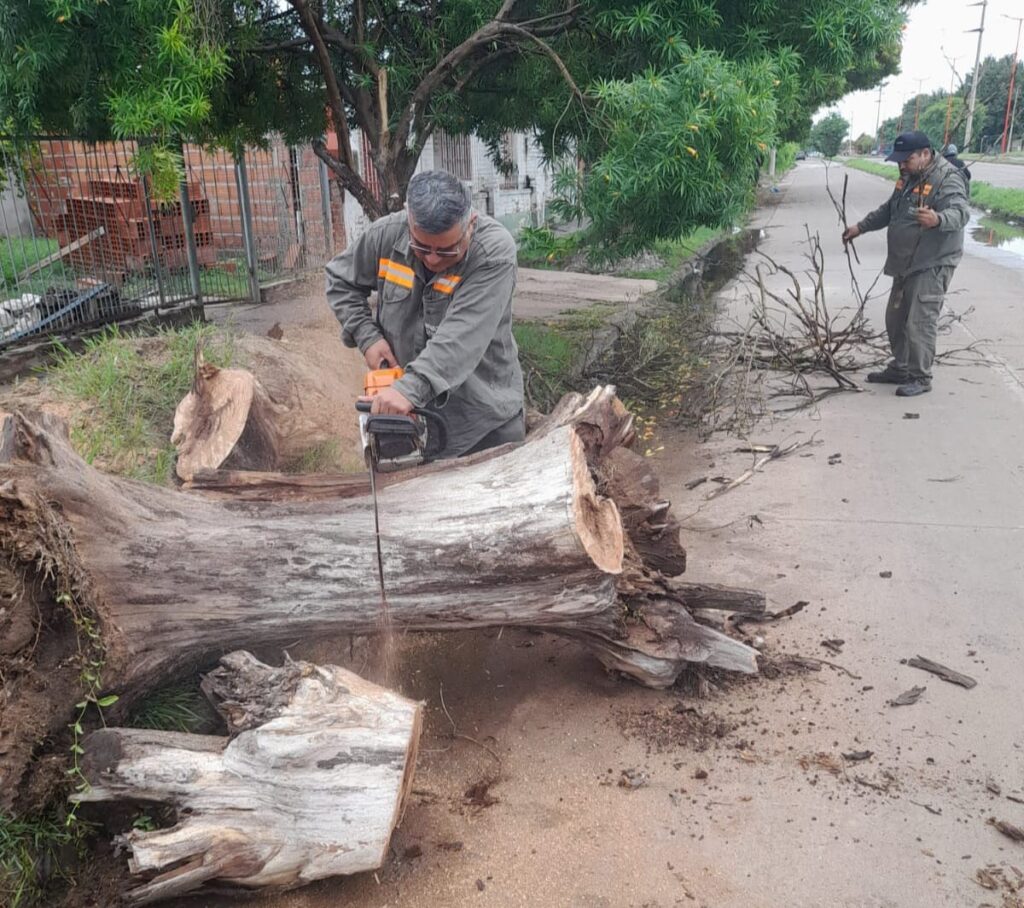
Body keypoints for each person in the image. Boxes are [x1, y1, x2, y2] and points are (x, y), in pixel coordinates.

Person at [326, 169, 525, 457]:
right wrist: (367, 336)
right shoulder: (386, 235)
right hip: (407, 426)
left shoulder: (493, 253)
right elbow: (339, 279)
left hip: (483, 428)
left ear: (470, 224)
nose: (432, 259)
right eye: (421, 247)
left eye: (447, 251)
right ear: (409, 221)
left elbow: (459, 340)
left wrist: (408, 390)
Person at [841, 130, 970, 397]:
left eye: (906, 159)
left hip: (932, 262)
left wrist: (938, 219)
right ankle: (901, 367)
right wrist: (860, 227)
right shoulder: (908, 178)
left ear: (925, 154)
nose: (901, 165)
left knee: (919, 322)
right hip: (905, 261)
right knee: (895, 319)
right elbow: (891, 209)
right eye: (898, 160)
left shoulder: (947, 178)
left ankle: (921, 377)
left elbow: (960, 212)